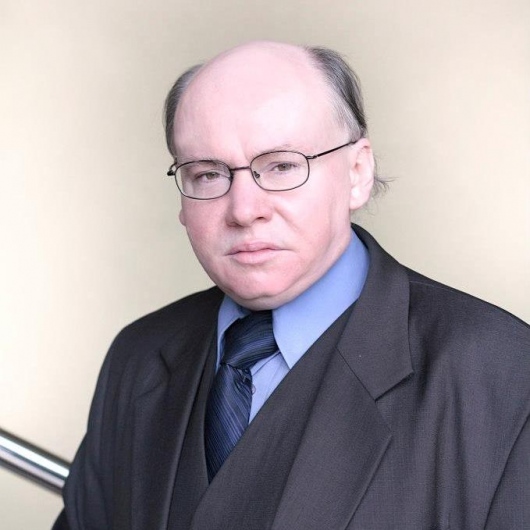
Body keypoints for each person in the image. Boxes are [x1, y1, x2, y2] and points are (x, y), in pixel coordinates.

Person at [53, 41, 529, 529]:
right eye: (207, 174)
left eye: (281, 165)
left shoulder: (503, 372)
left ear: (358, 173)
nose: (244, 210)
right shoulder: (138, 357)